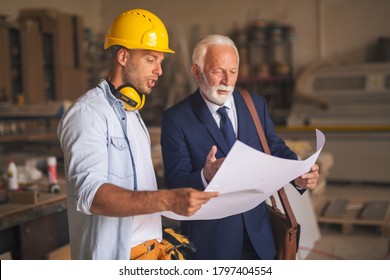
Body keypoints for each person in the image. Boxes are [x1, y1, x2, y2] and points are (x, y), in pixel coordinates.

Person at [57, 9, 218, 260]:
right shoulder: (88, 114)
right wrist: (167, 199)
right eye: (151, 59)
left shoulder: (132, 112)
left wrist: (203, 175)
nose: (159, 71)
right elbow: (91, 195)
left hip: (150, 252)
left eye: (161, 62)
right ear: (123, 56)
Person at [160, 34, 319, 260]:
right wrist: (205, 175)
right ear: (197, 72)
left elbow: (274, 148)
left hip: (260, 235)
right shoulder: (176, 118)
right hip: (211, 243)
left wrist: (299, 173)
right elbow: (176, 184)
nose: (227, 80)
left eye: (233, 71)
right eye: (218, 71)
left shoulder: (254, 104)